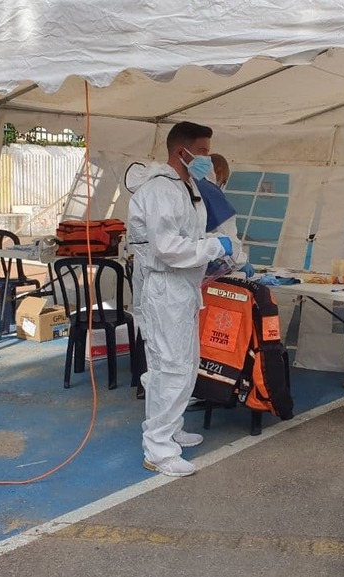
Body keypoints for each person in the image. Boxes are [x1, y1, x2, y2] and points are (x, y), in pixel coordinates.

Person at [125, 121, 232, 477]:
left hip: (183, 287)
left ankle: (170, 429)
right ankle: (157, 448)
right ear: (180, 151)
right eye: (202, 152)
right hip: (164, 287)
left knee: (184, 363)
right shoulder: (159, 190)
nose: (206, 159)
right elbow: (168, 247)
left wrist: (215, 252)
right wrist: (214, 246)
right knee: (169, 366)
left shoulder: (188, 187)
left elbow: (192, 235)